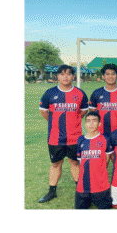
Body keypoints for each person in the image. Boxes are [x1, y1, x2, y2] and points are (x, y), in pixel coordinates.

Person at [37, 63, 88, 203]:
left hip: (75, 137)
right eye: (62, 74)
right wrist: (55, 123)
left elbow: (83, 112)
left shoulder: (80, 93)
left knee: (75, 163)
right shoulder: (50, 93)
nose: (65, 77)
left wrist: (73, 121)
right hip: (55, 137)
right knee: (55, 164)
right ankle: (51, 191)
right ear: (57, 76)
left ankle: (80, 191)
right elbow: (44, 111)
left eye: (68, 74)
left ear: (73, 76)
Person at [74, 111, 113, 209]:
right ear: (85, 124)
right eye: (88, 121)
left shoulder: (105, 139)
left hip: (101, 186)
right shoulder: (80, 140)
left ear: (99, 123)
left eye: (94, 121)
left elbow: (106, 161)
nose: (91, 124)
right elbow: (80, 163)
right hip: (83, 187)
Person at [88, 63, 117, 138]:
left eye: (113, 74)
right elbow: (92, 113)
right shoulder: (96, 93)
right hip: (101, 133)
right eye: (107, 74)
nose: (110, 76)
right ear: (103, 76)